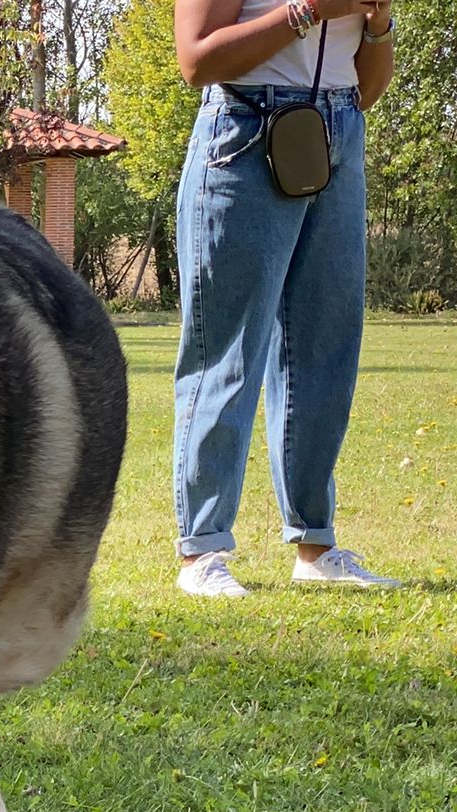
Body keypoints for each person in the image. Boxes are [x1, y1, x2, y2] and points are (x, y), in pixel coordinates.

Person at [170, 0, 399, 596]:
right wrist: (310, 11)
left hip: (339, 131)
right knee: (227, 349)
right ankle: (202, 550)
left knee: (325, 345)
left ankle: (315, 546)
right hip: (244, 132)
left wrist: (377, 23)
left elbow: (369, 89)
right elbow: (196, 59)